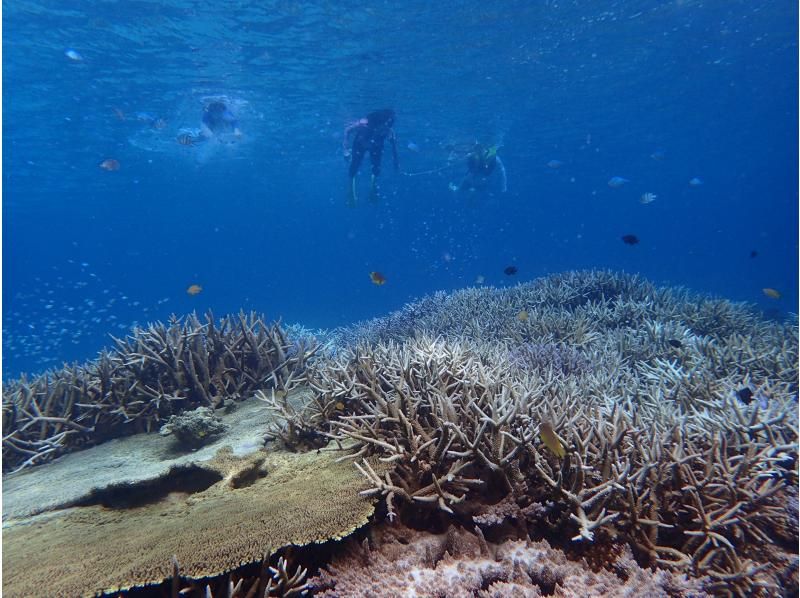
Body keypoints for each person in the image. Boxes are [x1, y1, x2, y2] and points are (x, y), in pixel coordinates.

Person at [343, 109, 399, 205]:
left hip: (375, 146)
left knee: (376, 167)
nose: (385, 127)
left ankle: (373, 187)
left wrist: (396, 160)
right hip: (360, 144)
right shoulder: (363, 124)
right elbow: (347, 130)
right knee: (354, 166)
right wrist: (345, 150)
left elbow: (393, 145)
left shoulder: (388, 130)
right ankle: (351, 191)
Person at [176, 100, 241, 146]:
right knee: (206, 137)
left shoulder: (225, 113)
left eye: (219, 111)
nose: (216, 114)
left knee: (213, 136)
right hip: (210, 123)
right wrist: (213, 137)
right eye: (214, 111)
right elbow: (204, 128)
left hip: (220, 121)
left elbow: (234, 121)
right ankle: (190, 140)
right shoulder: (207, 114)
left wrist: (236, 130)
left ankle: (191, 140)